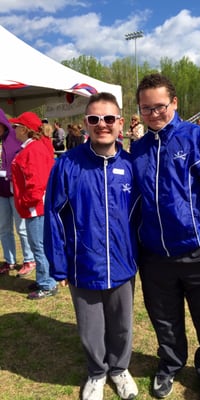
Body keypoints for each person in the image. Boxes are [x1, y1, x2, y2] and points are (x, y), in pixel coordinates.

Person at [131, 74, 200, 400]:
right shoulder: (137, 149)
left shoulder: (198, 139)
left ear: (175, 103)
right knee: (165, 321)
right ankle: (170, 363)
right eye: (146, 108)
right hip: (155, 257)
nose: (153, 114)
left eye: (159, 106)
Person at [44, 92, 139, 400]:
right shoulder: (67, 165)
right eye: (95, 119)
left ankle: (120, 369)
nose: (102, 125)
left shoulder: (131, 164)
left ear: (120, 123)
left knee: (122, 325)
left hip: (123, 263)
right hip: (82, 264)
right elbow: (54, 217)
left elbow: (142, 215)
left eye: (109, 118)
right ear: (85, 123)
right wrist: (58, 263)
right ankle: (97, 373)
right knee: (90, 328)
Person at [10, 111, 57, 300]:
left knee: (39, 246)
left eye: (16, 127)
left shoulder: (33, 149)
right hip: (35, 205)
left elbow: (37, 181)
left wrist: (27, 202)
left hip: (36, 206)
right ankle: (44, 279)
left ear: (24, 129)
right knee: (38, 245)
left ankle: (47, 284)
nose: (14, 130)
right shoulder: (33, 146)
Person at [0, 109, 36, 276]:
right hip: (1, 191)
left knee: (21, 227)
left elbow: (23, 161)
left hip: (16, 190)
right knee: (3, 227)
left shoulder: (15, 137)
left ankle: (29, 259)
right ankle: (10, 260)